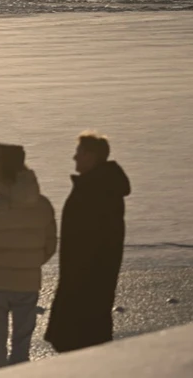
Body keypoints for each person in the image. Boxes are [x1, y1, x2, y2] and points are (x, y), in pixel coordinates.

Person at [0, 141, 57, 370]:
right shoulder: (44, 205)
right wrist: (29, 263)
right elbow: (50, 247)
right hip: (28, 283)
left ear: (2, 174)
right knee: (21, 343)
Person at [44, 131, 131, 353]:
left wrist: (75, 280)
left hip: (85, 281)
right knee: (84, 341)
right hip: (88, 279)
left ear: (91, 156)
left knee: (79, 342)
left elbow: (93, 242)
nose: (74, 158)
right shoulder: (98, 187)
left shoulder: (96, 190)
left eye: (79, 153)